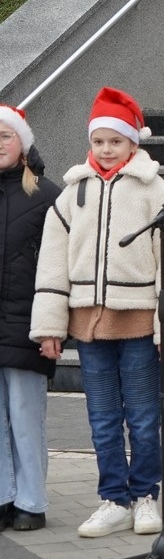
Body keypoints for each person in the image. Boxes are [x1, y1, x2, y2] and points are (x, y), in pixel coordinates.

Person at [31, 88, 164, 538]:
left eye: (114, 141)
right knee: (101, 418)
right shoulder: (72, 192)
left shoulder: (154, 189)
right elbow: (53, 262)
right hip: (87, 324)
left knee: (141, 415)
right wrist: (48, 325)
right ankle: (113, 498)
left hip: (138, 320)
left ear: (132, 143)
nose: (105, 149)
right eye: (98, 140)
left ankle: (145, 496)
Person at [0, 106, 60, 532]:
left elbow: (59, 267)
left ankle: (31, 501)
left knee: (25, 412)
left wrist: (52, 327)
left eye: (5, 136)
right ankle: (2, 496)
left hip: (27, 325)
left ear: (22, 142)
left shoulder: (44, 194)